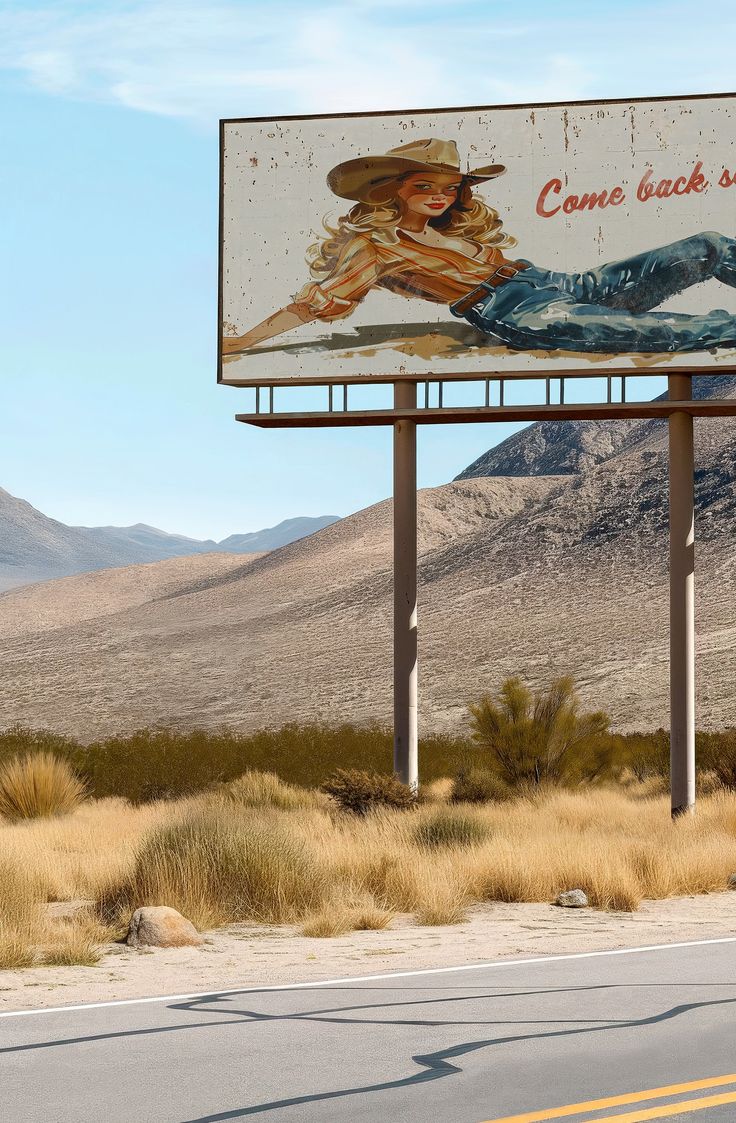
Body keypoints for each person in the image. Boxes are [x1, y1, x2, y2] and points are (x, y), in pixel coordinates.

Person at [221, 137, 736, 356]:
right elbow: (316, 303)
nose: (439, 196)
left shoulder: (452, 231)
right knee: (680, 331)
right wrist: (244, 343)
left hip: (552, 282)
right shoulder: (375, 247)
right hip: (511, 310)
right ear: (392, 189)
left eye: (448, 188)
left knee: (709, 244)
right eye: (425, 186)